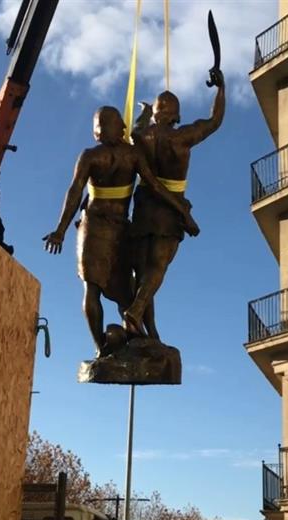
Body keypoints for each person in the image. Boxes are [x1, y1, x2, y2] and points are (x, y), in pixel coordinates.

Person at [43, 106, 198, 357]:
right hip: (98, 227)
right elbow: (76, 192)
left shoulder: (100, 155)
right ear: (107, 129)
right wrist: (183, 211)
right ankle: (102, 348)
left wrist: (183, 213)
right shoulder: (118, 155)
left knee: (125, 289)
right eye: (119, 124)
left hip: (110, 228)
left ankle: (139, 338)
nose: (124, 129)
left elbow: (77, 192)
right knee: (95, 288)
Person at [127, 66, 225, 339]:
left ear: (157, 113)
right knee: (158, 267)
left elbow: (136, 127)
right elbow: (214, 120)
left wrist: (145, 112)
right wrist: (221, 89)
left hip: (145, 205)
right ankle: (135, 311)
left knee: (143, 269)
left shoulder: (141, 136)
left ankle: (145, 327)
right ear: (177, 115)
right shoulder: (181, 137)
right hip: (170, 209)